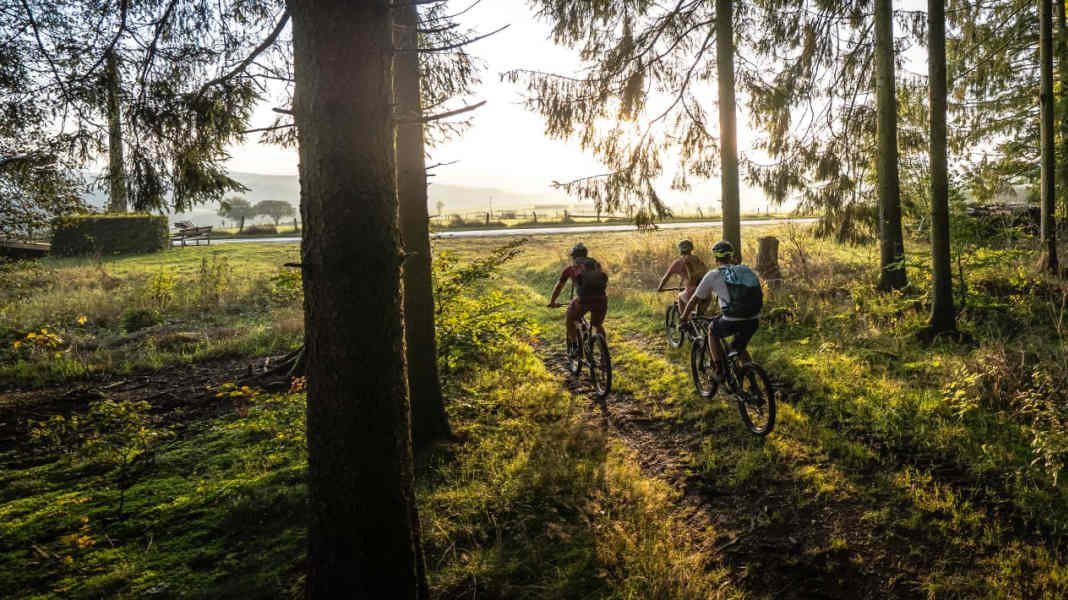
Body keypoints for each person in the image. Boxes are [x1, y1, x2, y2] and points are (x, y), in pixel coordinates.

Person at [679, 240, 763, 376]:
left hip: (732, 318)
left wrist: (683, 318)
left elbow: (694, 299)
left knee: (712, 331)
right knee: (739, 348)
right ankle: (752, 380)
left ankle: (719, 368)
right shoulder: (745, 270)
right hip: (753, 319)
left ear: (716, 258)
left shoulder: (713, 275)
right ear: (732, 256)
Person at [547, 243, 609, 355]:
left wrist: (552, 302)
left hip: (584, 300)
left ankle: (575, 346)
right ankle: (604, 352)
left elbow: (559, 287)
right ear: (586, 255)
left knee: (570, 318)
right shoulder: (596, 265)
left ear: (573, 257)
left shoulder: (571, 269)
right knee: (598, 325)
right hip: (601, 299)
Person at [656, 239, 709, 316]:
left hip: (691, 292)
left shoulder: (678, 263)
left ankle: (683, 322)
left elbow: (666, 278)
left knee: (680, 297)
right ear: (691, 249)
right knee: (700, 316)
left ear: (680, 250)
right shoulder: (698, 260)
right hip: (706, 292)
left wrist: (660, 288)